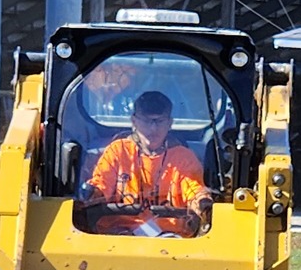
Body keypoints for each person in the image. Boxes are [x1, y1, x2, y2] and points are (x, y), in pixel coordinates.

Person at [77, 90, 212, 236]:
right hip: (119, 236)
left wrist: (202, 203)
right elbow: (101, 184)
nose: (153, 128)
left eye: (159, 121)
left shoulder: (183, 158)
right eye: (147, 121)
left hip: (170, 238)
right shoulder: (118, 151)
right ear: (134, 121)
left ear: (170, 123)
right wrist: (91, 194)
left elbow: (194, 190)